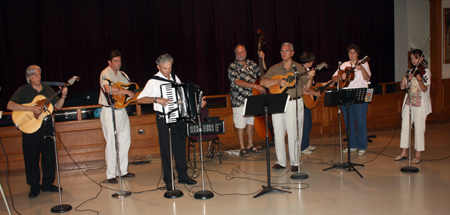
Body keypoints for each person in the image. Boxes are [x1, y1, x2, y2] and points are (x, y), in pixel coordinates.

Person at [137, 53, 196, 191]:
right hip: (164, 119)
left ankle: (183, 175)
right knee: (166, 151)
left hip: (178, 118)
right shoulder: (153, 81)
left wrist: (196, 102)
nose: (168, 71)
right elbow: (140, 99)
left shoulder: (175, 77)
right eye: (165, 68)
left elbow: (183, 94)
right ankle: (169, 180)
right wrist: (157, 99)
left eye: (169, 68)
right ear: (158, 67)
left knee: (181, 149)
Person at [7, 65, 68, 198]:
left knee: (49, 157)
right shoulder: (23, 90)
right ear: (29, 77)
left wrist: (63, 96)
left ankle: (47, 184)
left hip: (46, 127)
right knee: (31, 158)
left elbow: (58, 107)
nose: (38, 77)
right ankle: (34, 186)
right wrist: (30, 109)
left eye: (39, 74)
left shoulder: (47, 89)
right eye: (35, 75)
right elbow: (10, 105)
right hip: (30, 128)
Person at [260, 43, 315, 172]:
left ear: (292, 53)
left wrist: (310, 78)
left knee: (294, 132)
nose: (284, 53)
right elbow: (263, 82)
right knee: (278, 132)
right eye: (282, 51)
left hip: (294, 101)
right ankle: (281, 161)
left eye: (287, 51)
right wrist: (277, 82)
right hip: (278, 102)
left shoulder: (299, 68)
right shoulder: (275, 68)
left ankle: (295, 162)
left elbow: (307, 88)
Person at [99, 50, 135, 184]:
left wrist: (132, 93)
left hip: (122, 110)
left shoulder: (123, 75)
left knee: (125, 140)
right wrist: (126, 91)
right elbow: (109, 90)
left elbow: (130, 88)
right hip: (109, 111)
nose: (118, 63)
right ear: (109, 62)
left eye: (119, 61)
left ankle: (123, 171)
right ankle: (111, 174)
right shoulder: (105, 73)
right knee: (112, 143)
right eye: (115, 61)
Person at [332, 44, 371, 156]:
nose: (352, 55)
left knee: (360, 122)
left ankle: (362, 146)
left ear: (358, 54)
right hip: (346, 94)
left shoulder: (364, 63)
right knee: (348, 122)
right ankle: (352, 145)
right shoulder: (344, 65)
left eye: (354, 52)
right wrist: (341, 77)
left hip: (361, 94)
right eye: (350, 52)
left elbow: (367, 78)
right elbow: (334, 78)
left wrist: (362, 69)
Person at [227, 44, 266, 157]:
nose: (240, 54)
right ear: (235, 54)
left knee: (250, 123)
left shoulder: (251, 63)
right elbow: (237, 82)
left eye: (242, 52)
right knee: (241, 125)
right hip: (239, 100)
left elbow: (263, 73)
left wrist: (262, 59)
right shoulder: (232, 66)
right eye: (238, 53)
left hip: (252, 99)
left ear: (246, 52)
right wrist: (254, 86)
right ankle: (242, 147)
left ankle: (250, 144)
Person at [395, 49, 431, 164]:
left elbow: (425, 89)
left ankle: (418, 154)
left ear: (421, 58)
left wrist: (420, 81)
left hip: (420, 103)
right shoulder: (410, 71)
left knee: (419, 128)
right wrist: (406, 78)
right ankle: (404, 152)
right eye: (412, 58)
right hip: (409, 103)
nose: (414, 60)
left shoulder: (426, 71)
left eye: (416, 58)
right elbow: (402, 87)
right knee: (405, 126)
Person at [299, 52, 334, 154]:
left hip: (307, 102)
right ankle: (302, 148)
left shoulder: (308, 71)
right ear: (308, 62)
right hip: (302, 101)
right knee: (305, 125)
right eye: (312, 61)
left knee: (308, 124)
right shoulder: (301, 72)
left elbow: (313, 85)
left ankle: (306, 144)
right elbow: (303, 90)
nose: (313, 62)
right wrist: (315, 93)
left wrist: (327, 83)